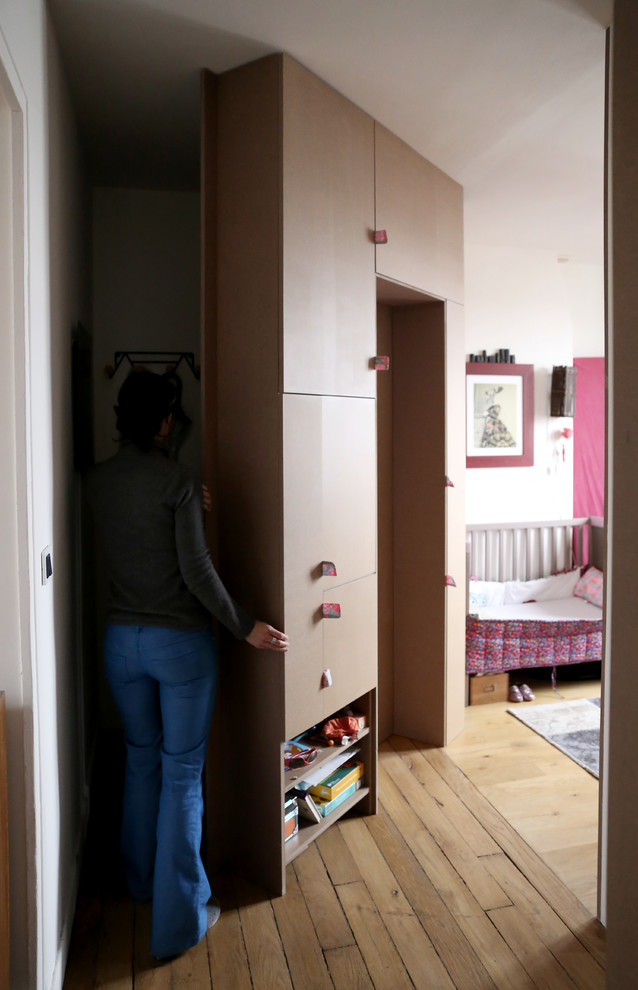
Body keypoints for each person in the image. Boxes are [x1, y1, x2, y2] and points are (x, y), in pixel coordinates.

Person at [86, 369, 288, 959]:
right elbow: (197, 573)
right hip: (179, 649)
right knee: (181, 775)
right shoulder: (177, 481)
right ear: (166, 421)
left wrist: (186, 505)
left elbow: (134, 523)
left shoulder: (96, 480)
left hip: (120, 644)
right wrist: (246, 626)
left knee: (139, 759)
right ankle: (179, 924)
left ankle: (139, 883)